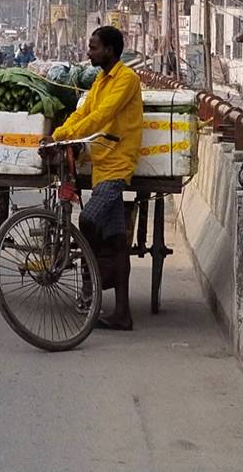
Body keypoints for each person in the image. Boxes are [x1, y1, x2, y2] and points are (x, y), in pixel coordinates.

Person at [53, 25, 144, 331]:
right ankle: (122, 314)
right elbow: (84, 112)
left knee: (88, 222)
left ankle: (94, 272)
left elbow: (102, 116)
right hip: (101, 164)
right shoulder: (101, 81)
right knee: (117, 243)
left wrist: (66, 134)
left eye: (93, 47)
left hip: (118, 165)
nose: (88, 52)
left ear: (110, 50)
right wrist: (59, 134)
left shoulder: (126, 79)